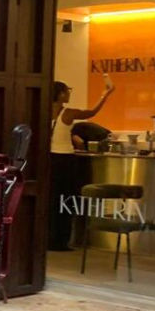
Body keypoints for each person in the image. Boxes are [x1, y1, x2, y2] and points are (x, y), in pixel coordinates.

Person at [49, 80, 114, 250]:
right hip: (65, 160)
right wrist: (105, 94)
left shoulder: (43, 109)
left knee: (52, 200)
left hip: (49, 159)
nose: (70, 93)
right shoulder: (67, 113)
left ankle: (49, 239)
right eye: (68, 90)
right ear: (62, 94)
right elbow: (91, 112)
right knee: (67, 200)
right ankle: (61, 241)